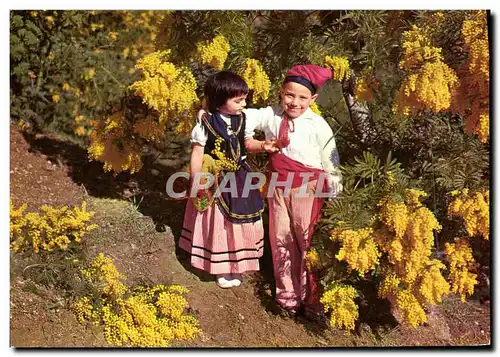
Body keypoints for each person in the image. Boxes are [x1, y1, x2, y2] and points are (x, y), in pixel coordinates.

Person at [243, 64, 343, 318]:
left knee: (307, 241)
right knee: (281, 238)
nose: (294, 102)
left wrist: (335, 195)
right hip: (278, 186)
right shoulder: (272, 116)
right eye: (289, 95)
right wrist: (209, 113)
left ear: (313, 99)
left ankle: (313, 299)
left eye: (302, 97)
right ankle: (287, 297)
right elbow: (242, 116)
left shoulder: (317, 125)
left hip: (307, 188)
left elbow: (331, 160)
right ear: (281, 93)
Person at [179, 71, 277, 289]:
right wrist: (196, 180)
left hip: (240, 174)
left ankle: (237, 264)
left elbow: (247, 143)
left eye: (244, 99)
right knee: (220, 221)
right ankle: (221, 266)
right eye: (238, 100)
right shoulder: (206, 124)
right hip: (215, 176)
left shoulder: (243, 118)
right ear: (220, 101)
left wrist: (263, 146)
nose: (243, 103)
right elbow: (197, 153)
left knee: (243, 217)